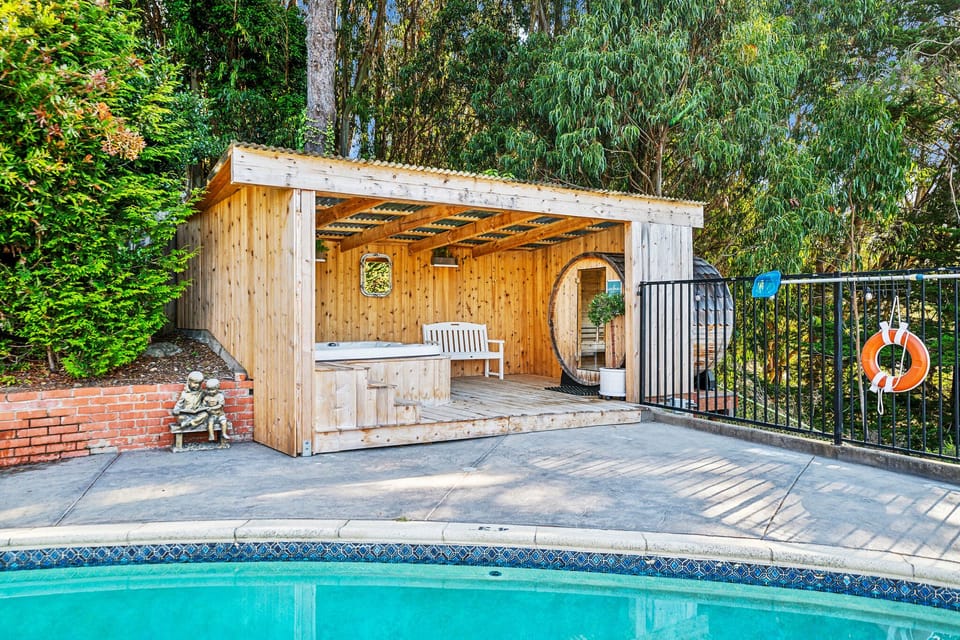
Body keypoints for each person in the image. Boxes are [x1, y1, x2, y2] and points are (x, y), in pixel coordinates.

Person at [202, 378, 231, 442]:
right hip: (212, 415)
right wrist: (205, 407)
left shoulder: (220, 396)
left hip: (220, 414)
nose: (211, 392)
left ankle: (224, 433)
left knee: (223, 422)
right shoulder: (207, 397)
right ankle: (211, 435)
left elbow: (220, 405)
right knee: (210, 423)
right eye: (209, 390)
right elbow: (203, 405)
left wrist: (212, 408)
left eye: (213, 390)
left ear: (217, 388)